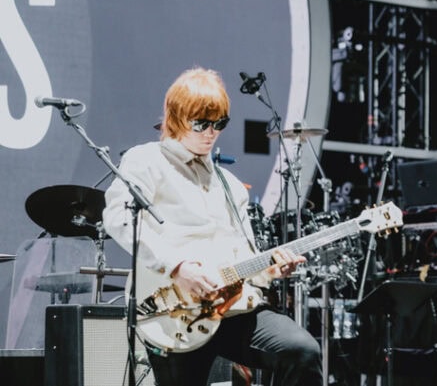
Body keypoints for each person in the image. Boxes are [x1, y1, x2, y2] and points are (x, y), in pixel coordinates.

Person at [102, 67, 321, 385]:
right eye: (201, 123)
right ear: (177, 117)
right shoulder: (146, 160)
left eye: (219, 123)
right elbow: (119, 217)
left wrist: (270, 270)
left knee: (302, 351)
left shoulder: (230, 185)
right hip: (173, 309)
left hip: (233, 309)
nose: (210, 132)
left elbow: (245, 255)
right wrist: (177, 266)